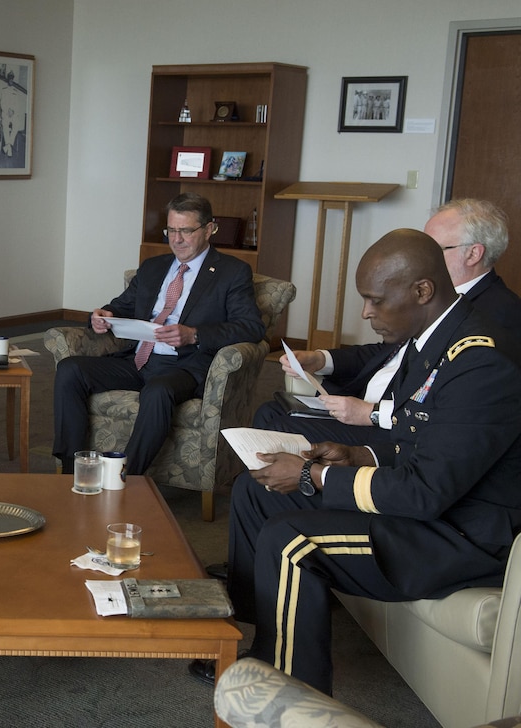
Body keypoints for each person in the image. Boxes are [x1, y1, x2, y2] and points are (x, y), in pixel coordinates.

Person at [189, 228, 521, 694]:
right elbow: (417, 440)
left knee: (292, 540)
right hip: (438, 506)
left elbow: (426, 492)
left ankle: (289, 694)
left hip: (463, 534)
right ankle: (264, 635)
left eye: (375, 300)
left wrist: (315, 475)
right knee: (257, 489)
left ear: (422, 291)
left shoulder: (479, 360)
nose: (366, 313)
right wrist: (356, 453)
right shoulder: (436, 339)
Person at [259, 198, 521, 445]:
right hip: (363, 398)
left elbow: (453, 404)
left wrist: (372, 412)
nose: (419, 255)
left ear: (473, 254)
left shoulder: (496, 316)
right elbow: (387, 353)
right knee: (269, 412)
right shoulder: (432, 298)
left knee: (280, 430)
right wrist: (322, 359)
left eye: (432, 248)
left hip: (393, 429)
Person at [52, 192, 265, 475]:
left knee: (158, 391)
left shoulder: (232, 272)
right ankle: (72, 467)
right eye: (171, 231)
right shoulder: (154, 267)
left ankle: (126, 476)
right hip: (137, 360)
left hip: (185, 365)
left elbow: (251, 327)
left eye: (186, 231)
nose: (176, 239)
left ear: (209, 229)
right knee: (70, 369)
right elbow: (121, 306)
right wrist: (103, 316)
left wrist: (194, 334)